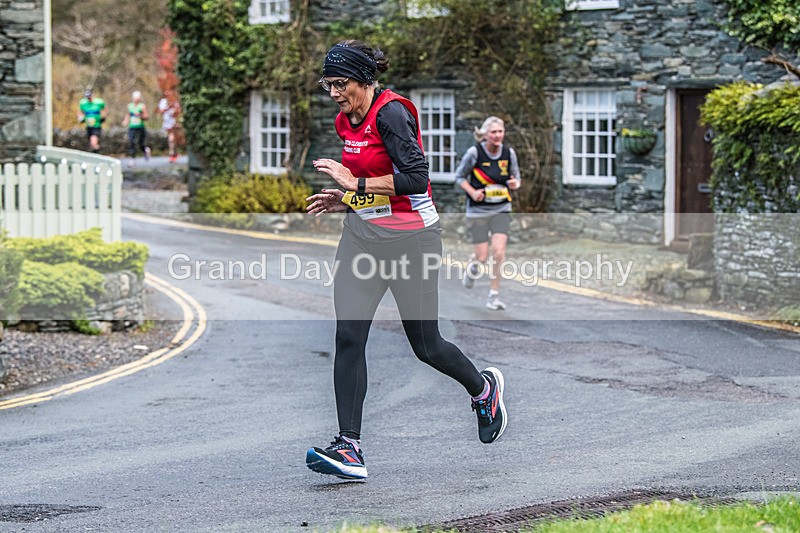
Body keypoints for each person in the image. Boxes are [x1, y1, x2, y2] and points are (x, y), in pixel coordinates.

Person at [304, 40, 507, 481]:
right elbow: (372, 186)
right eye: (328, 84)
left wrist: (355, 183)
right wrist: (349, 199)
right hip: (362, 238)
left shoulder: (392, 113)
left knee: (426, 345)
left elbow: (416, 178)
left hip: (412, 241)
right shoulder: (345, 120)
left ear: (364, 80)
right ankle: (349, 447)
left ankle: (483, 390)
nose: (334, 93)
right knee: (348, 337)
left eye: (340, 83)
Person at [454, 116, 521, 310]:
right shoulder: (474, 153)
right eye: (493, 132)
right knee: (482, 256)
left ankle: (493, 296)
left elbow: (516, 178)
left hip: (501, 208)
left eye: (500, 131)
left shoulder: (508, 153)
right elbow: (459, 177)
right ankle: (473, 265)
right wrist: (472, 192)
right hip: (478, 211)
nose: (497, 135)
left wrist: (515, 184)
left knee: (499, 253)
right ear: (485, 134)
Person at [122, 90, 150, 165]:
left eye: (137, 98)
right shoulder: (130, 106)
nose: (135, 100)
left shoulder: (142, 106)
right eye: (134, 98)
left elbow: (147, 116)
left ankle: (145, 150)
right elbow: (128, 115)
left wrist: (140, 115)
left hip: (140, 126)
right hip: (132, 126)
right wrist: (125, 121)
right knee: (131, 141)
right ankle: (132, 158)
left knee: (140, 143)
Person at [77, 89, 107, 153]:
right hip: (88, 125)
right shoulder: (83, 103)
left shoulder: (99, 102)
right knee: (91, 143)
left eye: (89, 96)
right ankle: (97, 151)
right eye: (87, 97)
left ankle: (96, 151)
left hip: (96, 125)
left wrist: (103, 117)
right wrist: (81, 118)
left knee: (93, 141)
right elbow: (80, 112)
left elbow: (105, 109)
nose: (88, 98)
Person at [157, 97, 180, 163]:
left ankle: (172, 154)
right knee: (170, 139)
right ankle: (174, 153)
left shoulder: (175, 101)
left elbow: (177, 112)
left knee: (171, 139)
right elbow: (161, 111)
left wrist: (174, 109)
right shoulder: (163, 101)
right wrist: (168, 107)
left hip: (173, 123)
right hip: (166, 123)